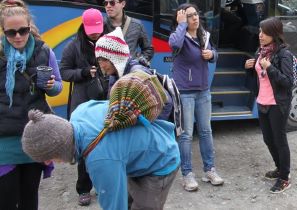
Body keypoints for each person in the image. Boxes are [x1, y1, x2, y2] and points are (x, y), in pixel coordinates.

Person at [20, 76, 180, 210]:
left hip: (160, 160)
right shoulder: (80, 112)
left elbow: (114, 206)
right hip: (140, 150)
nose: (48, 163)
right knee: (126, 197)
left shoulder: (101, 160)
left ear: (60, 147)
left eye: (47, 157)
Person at [0, 0, 62, 210]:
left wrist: (51, 86)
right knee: (6, 201)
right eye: (11, 32)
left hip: (34, 137)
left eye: (23, 31)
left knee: (29, 199)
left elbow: (58, 88)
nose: (18, 37)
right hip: (4, 142)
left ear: (29, 27)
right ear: (3, 31)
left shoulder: (44, 52)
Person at [169, 3, 223, 191]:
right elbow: (173, 44)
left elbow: (217, 54)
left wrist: (212, 55)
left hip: (203, 91)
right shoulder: (179, 37)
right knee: (186, 135)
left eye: (196, 14)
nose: (195, 18)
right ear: (183, 18)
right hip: (185, 92)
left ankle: (209, 170)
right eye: (190, 15)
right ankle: (187, 174)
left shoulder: (205, 36)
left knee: (206, 131)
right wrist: (181, 24)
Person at [244, 17, 295, 194]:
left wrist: (271, 68)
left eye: (264, 33)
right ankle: (279, 168)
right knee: (268, 139)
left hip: (277, 104)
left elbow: (288, 82)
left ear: (274, 34)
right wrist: (250, 67)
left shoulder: (284, 55)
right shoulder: (261, 51)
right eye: (260, 31)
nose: (260, 35)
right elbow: (260, 78)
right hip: (262, 101)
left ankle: (285, 177)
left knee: (280, 140)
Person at [60, 8, 105, 206]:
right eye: (92, 30)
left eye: (98, 29)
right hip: (83, 102)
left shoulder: (107, 42)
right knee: (84, 146)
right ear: (84, 27)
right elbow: (63, 72)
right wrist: (83, 73)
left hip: (105, 99)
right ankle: (83, 188)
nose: (96, 33)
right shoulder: (73, 46)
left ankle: (104, 185)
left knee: (105, 145)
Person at [103, 0, 153, 65]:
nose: (108, 6)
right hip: (106, 75)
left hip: (128, 74)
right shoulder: (101, 25)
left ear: (123, 4)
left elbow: (148, 49)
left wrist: (138, 62)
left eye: (112, 3)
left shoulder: (136, 25)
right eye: (106, 3)